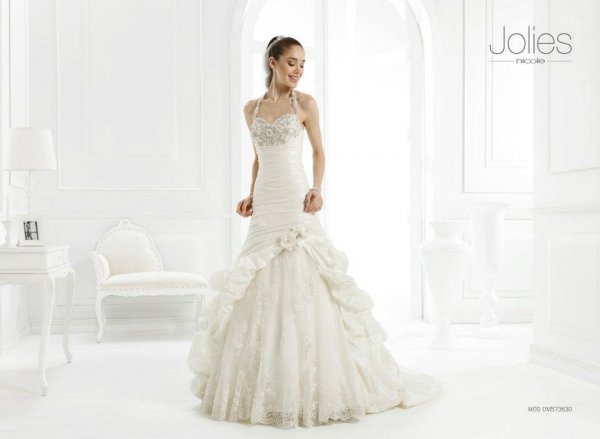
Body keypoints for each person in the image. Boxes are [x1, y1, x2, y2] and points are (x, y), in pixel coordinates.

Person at [187, 35, 443, 428]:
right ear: (272, 62)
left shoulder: (305, 104)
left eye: (303, 64)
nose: (298, 70)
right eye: (292, 62)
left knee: (305, 277)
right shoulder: (251, 109)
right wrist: (250, 194)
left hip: (294, 199)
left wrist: (317, 188)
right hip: (266, 205)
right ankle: (264, 386)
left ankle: (310, 383)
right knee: (255, 281)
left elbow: (319, 152)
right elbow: (258, 158)